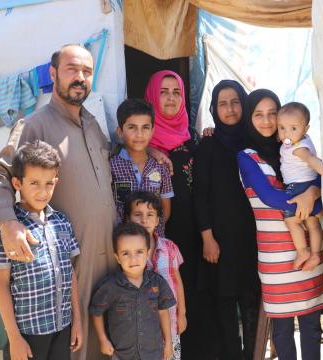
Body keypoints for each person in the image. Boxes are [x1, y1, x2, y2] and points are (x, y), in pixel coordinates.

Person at [0, 44, 117, 360]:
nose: (80, 77)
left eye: (87, 71)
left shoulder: (93, 124)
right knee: (76, 345)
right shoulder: (35, 125)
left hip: (108, 255)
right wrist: (9, 223)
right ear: (53, 74)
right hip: (70, 261)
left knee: (105, 339)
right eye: (72, 69)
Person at [237, 89, 323, 360]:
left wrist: (314, 191)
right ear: (249, 118)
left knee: (311, 325)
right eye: (258, 114)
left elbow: (320, 177)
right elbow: (270, 197)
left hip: (310, 249)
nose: (266, 121)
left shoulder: (292, 148)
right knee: (282, 327)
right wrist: (312, 199)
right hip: (276, 256)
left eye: (272, 114)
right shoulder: (246, 155)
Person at [0, 140, 82, 360]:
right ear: (17, 183)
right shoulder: (6, 230)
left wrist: (78, 322)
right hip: (28, 335)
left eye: (49, 183)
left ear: (57, 181)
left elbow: (70, 273)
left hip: (62, 326)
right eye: (34, 183)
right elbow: (2, 285)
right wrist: (14, 337)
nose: (43, 191)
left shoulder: (62, 222)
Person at [144, 70, 212, 359]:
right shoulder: (141, 141)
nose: (170, 98)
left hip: (193, 235)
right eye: (163, 91)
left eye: (176, 92)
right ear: (152, 96)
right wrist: (148, 146)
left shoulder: (193, 140)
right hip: (157, 237)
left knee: (192, 298)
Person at [193, 80, 260, 360]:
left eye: (235, 102)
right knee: (224, 301)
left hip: (255, 240)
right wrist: (207, 237)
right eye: (223, 103)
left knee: (252, 303)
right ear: (214, 109)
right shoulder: (208, 145)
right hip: (220, 240)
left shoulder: (254, 139)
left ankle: (253, 354)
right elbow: (201, 194)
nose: (230, 109)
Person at [90, 222, 176, 360]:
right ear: (117, 257)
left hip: (153, 353)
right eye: (125, 253)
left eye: (139, 252)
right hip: (121, 354)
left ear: (147, 253)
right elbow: (96, 312)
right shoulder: (110, 286)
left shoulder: (157, 282)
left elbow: (163, 313)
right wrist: (103, 340)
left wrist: (168, 343)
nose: (133, 259)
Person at [277, 102, 323, 270]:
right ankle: (315, 254)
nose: (286, 134)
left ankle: (302, 251)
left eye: (293, 128)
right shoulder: (303, 139)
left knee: (293, 222)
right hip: (310, 183)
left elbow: (311, 160)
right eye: (282, 128)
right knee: (312, 223)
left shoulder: (297, 148)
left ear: (306, 128)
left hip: (297, 187)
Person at [124, 191, 186, 360]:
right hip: (141, 327)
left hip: (171, 321)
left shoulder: (169, 247)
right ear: (128, 218)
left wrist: (182, 314)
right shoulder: (126, 252)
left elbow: (178, 282)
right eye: (138, 215)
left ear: (158, 220)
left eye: (150, 214)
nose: (144, 220)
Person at [111, 98, 174, 236]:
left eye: (145, 127)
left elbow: (165, 209)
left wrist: (152, 231)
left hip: (154, 243)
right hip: (124, 245)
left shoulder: (160, 166)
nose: (139, 134)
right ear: (120, 132)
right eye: (132, 127)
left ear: (152, 131)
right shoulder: (111, 166)